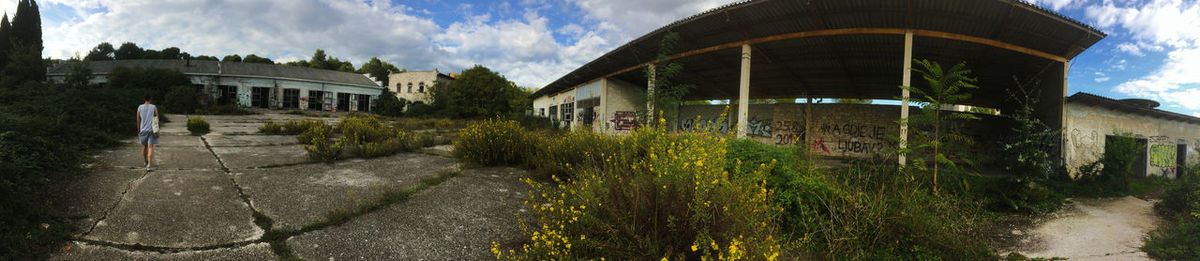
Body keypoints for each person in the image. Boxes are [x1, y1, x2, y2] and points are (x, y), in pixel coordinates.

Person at [136, 95, 159, 169]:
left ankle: (145, 160)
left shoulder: (140, 107)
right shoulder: (153, 107)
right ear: (150, 99)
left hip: (143, 130)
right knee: (150, 147)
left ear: (144, 99)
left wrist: (138, 129)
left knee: (144, 146)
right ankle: (149, 165)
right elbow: (157, 118)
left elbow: (138, 120)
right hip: (152, 130)